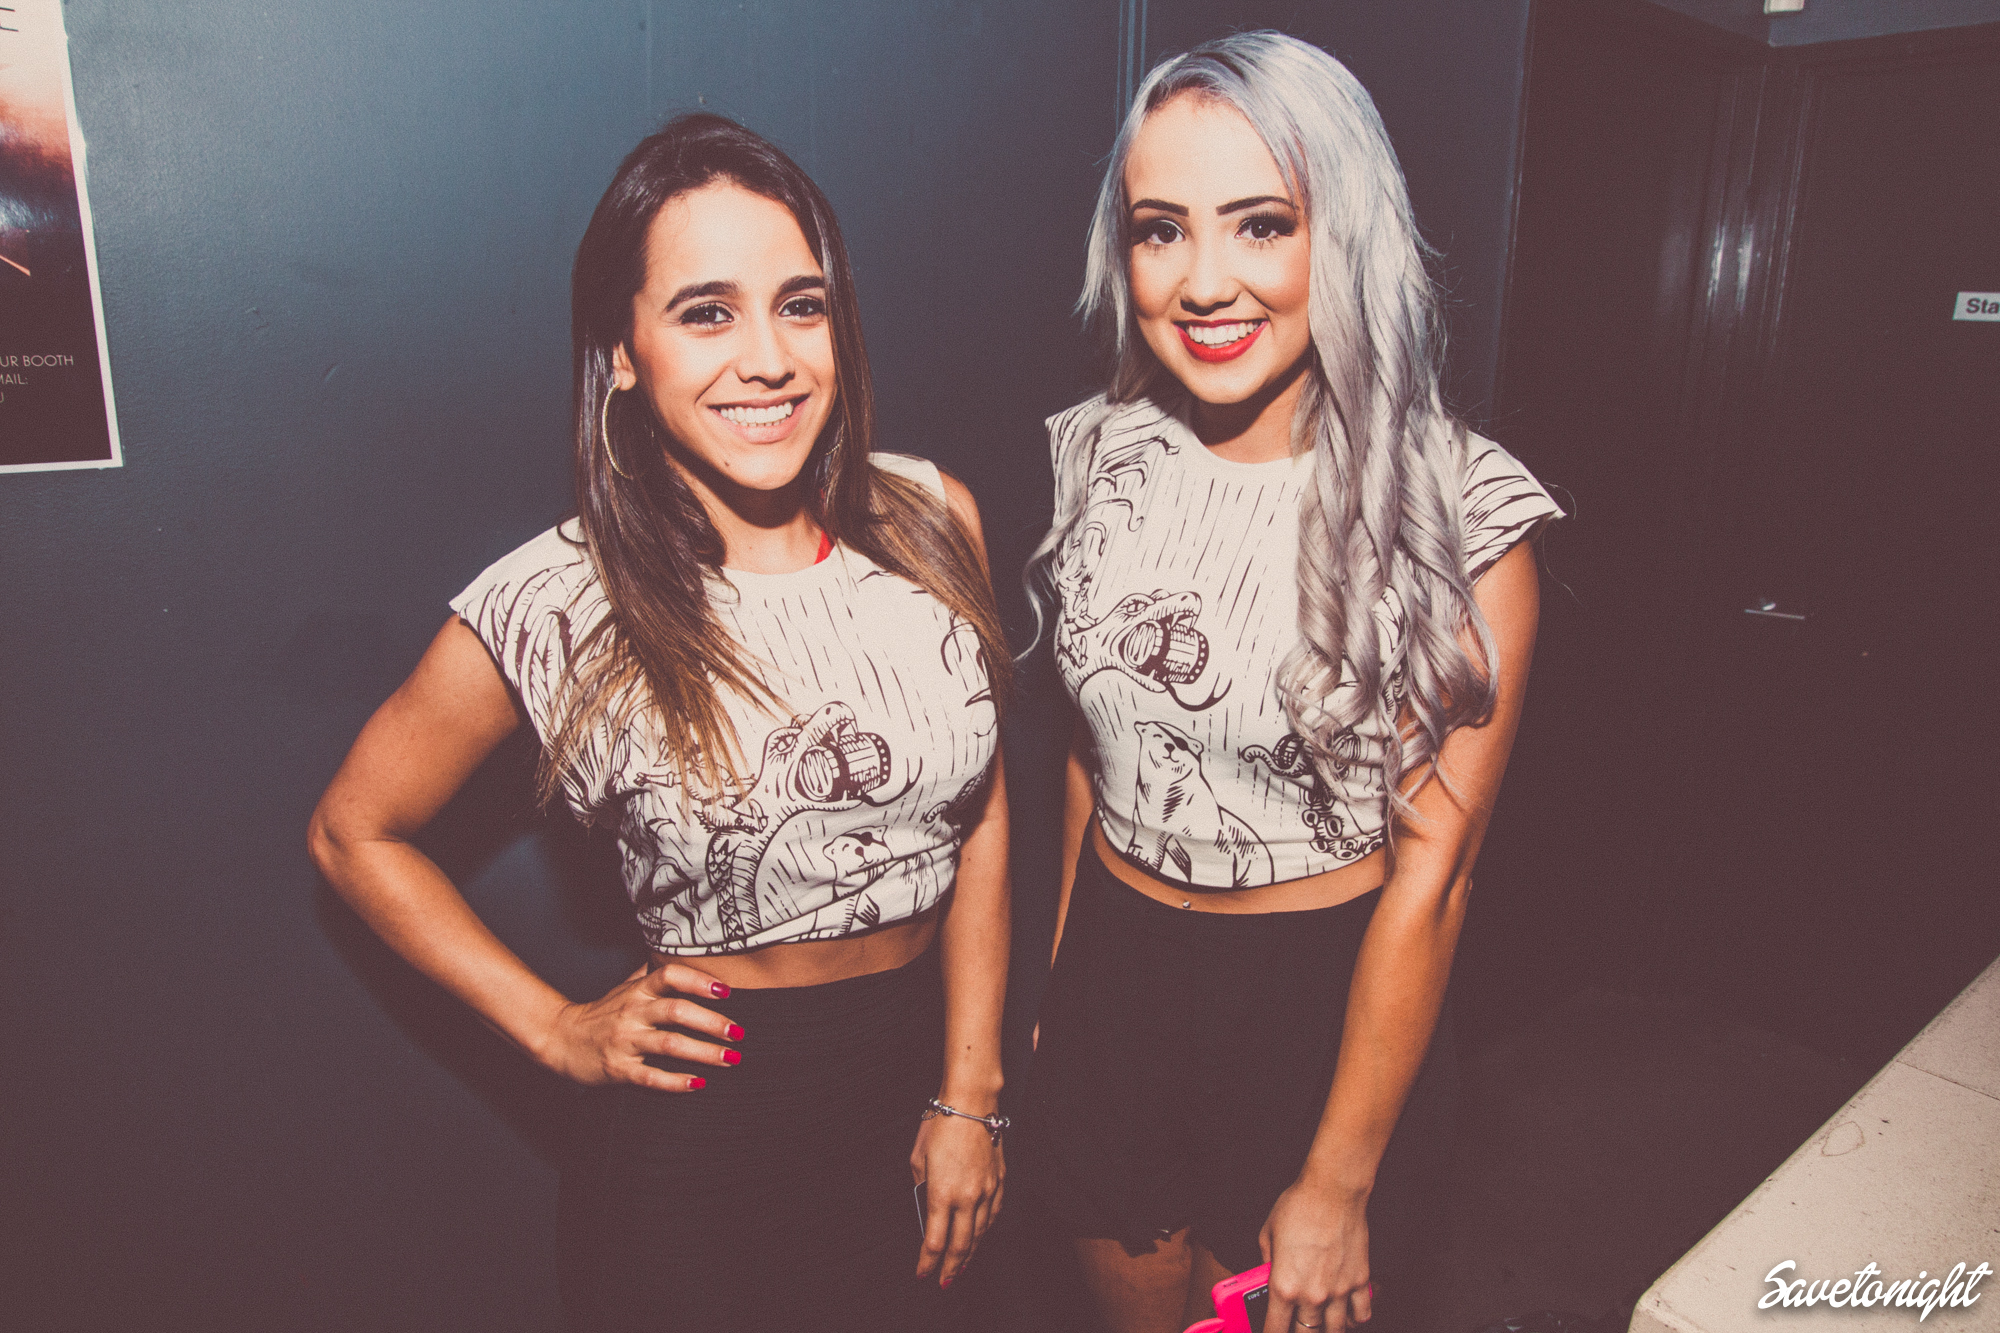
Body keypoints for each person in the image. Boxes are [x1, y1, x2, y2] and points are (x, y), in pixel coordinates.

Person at [308, 114, 1012, 1332]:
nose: (767, 358)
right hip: (701, 1139)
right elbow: (352, 832)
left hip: (917, 1090)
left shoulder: (930, 514)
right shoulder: (558, 598)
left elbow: (982, 813)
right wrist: (551, 1026)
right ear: (621, 352)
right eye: (705, 312)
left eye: (799, 305)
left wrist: (971, 1090)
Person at [1016, 33, 1563, 1333]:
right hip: (1114, 976)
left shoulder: (1461, 513)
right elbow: (1094, 751)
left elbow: (1434, 881)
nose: (1203, 280)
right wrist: (1059, 995)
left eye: (1261, 224)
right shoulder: (1099, 453)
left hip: (1320, 1010)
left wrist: (1339, 1174)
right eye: (1161, 230)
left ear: (1347, 232)